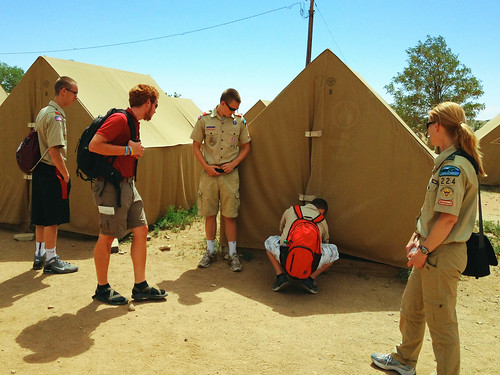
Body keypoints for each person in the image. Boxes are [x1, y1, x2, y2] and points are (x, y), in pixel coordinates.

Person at [371, 102, 486, 375]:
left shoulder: (453, 168)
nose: (428, 132)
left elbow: (448, 219)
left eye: (428, 126)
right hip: (431, 249)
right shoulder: (446, 162)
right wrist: (417, 236)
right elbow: (434, 213)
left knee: (442, 324)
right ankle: (404, 360)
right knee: (411, 309)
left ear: (437, 126)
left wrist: (423, 249)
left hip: (441, 254)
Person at [88, 84, 167, 305]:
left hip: (128, 186)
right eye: (156, 105)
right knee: (107, 236)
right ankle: (102, 288)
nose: (155, 110)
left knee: (141, 230)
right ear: (148, 102)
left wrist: (129, 151)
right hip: (111, 187)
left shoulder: (134, 123)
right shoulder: (120, 120)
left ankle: (140, 286)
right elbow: (95, 145)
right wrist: (128, 150)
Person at [191, 88, 251, 272]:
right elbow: (195, 146)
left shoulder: (239, 121)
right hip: (209, 174)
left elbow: (246, 146)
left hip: (229, 175)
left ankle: (232, 253)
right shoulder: (204, 120)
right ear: (222, 104)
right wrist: (206, 167)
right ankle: (210, 251)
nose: (234, 112)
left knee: (230, 215)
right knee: (210, 214)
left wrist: (234, 164)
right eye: (231, 108)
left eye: (236, 109)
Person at [32, 76, 79, 274]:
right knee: (53, 217)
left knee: (41, 216)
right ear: (63, 91)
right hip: (52, 171)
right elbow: (54, 151)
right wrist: (66, 174)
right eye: (75, 93)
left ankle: (39, 254)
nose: (76, 98)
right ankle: (51, 259)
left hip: (39, 169)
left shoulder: (44, 111)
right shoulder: (55, 116)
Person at [264, 198, 339, 294]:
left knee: (269, 241)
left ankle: (280, 276)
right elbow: (325, 242)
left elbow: (281, 231)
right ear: (322, 211)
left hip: (285, 258)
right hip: (310, 264)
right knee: (334, 251)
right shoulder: (322, 220)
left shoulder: (291, 210)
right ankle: (310, 279)